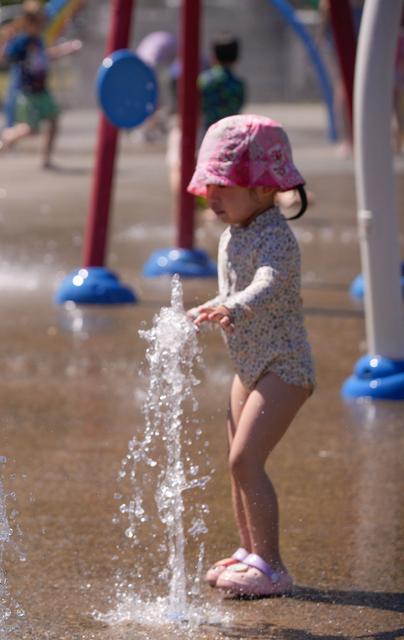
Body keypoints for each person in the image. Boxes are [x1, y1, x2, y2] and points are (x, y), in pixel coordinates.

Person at [187, 115, 314, 598]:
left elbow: (268, 281)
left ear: (262, 189)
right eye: (207, 187)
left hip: (284, 367)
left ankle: (273, 565)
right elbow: (235, 287)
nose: (210, 197)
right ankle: (249, 551)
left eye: (222, 186)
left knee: (246, 459)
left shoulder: (275, 236)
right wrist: (213, 303)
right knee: (235, 462)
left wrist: (231, 305)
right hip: (250, 365)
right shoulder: (236, 230)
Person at [0, 0, 81, 168]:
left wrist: (66, 50)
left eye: (43, 22)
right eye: (39, 22)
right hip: (27, 92)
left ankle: (46, 159)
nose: (42, 26)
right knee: (31, 129)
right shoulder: (22, 42)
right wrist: (3, 39)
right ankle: (8, 137)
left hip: (42, 90)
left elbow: (46, 55)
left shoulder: (38, 39)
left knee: (54, 121)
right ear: (28, 23)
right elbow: (2, 57)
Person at [198, 34, 246, 131]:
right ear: (236, 57)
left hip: (208, 132)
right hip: (231, 132)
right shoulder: (238, 84)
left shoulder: (204, 80)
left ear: (214, 56)